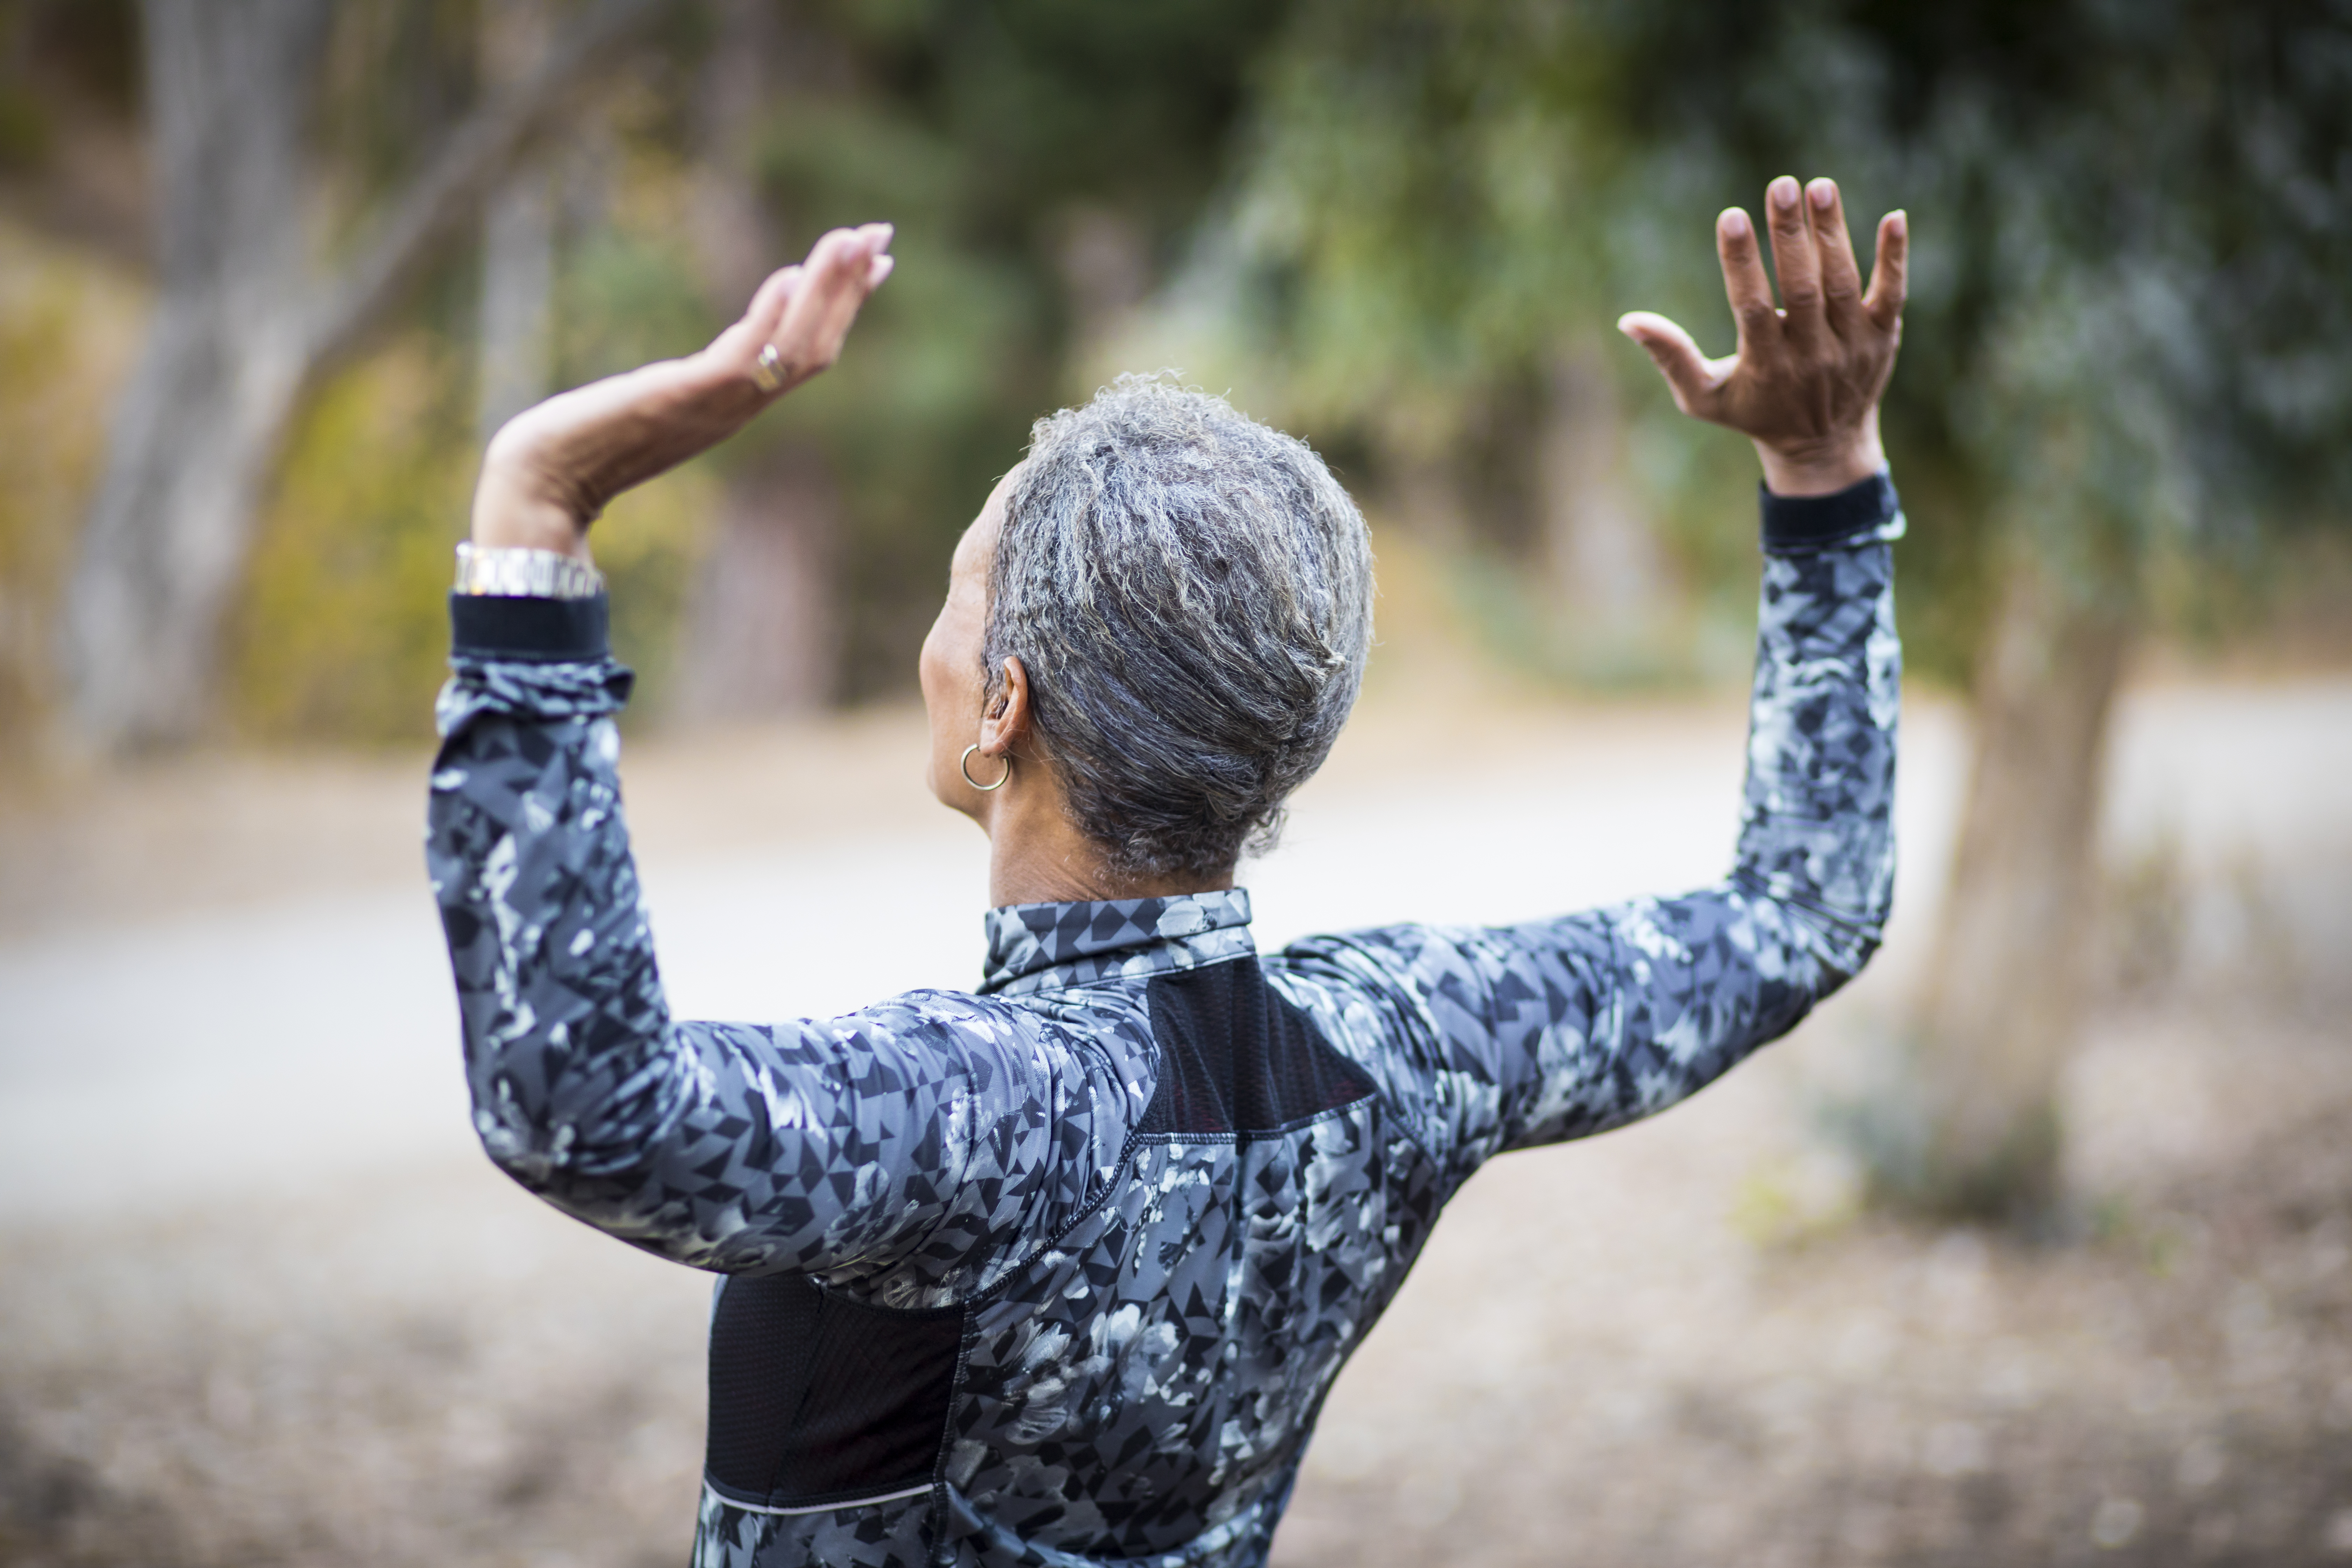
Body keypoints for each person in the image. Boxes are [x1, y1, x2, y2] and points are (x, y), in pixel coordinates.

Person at [428, 174, 1907, 1568]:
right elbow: (1800, 908)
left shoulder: (985, 1116)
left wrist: (535, 520)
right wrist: (1825, 477)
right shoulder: (1414, 1046)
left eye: (955, 607)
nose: (928, 655)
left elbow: (584, 1103)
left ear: (1005, 703)